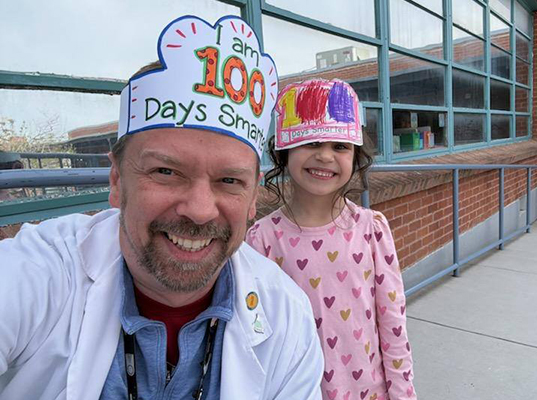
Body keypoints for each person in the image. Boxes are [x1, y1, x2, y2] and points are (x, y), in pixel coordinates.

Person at [0, 15, 323, 400]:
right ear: (117, 180)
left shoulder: (288, 317)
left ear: (253, 198)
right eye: (166, 171)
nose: (200, 210)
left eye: (230, 181)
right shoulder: (40, 276)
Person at [246, 79, 417, 400]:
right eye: (311, 143)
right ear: (285, 152)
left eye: (339, 146)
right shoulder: (262, 239)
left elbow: (393, 325)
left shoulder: (372, 229)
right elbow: (257, 336)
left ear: (355, 157)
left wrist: (403, 394)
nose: (325, 156)